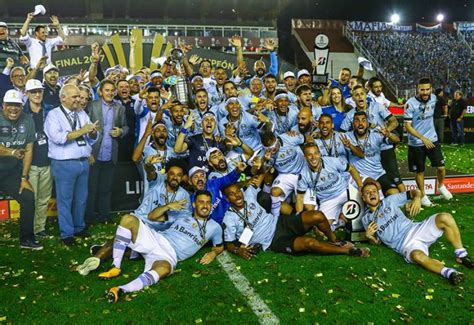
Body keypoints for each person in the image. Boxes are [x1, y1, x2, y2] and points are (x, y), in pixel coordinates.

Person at [104, 190, 223, 303]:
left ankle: (122, 289)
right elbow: (152, 216)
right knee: (128, 219)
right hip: (157, 239)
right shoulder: (182, 214)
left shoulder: (215, 227)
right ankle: (116, 266)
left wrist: (213, 253)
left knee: (164, 269)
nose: (205, 205)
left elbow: (220, 246)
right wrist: (167, 206)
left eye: (208, 202)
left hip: (170, 254)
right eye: (201, 202)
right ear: (194, 204)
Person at [361, 178, 473, 285]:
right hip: (405, 244)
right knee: (417, 256)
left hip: (416, 229)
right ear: (363, 197)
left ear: (378, 193)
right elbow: (377, 242)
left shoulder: (389, 201)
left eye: (374, 191)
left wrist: (417, 199)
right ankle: (451, 273)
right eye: (367, 192)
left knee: (445, 217)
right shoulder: (366, 219)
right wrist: (369, 237)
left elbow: (415, 192)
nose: (372, 194)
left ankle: (461, 255)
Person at [222, 179, 370, 259]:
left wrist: (244, 183)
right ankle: (347, 251)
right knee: (309, 243)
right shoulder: (229, 219)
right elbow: (228, 243)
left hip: (280, 222)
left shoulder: (248, 195)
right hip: (273, 241)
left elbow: (263, 177)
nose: (237, 196)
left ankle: (335, 239)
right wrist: (237, 251)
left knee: (317, 215)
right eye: (232, 194)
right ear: (227, 199)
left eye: (238, 191)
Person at [44, 84, 99, 245]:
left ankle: (79, 227)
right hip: (64, 163)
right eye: (74, 97)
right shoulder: (53, 115)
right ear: (63, 98)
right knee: (65, 200)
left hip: (83, 161)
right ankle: (67, 233)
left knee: (81, 198)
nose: (78, 100)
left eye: (79, 96)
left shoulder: (81, 113)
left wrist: (93, 132)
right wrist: (83, 131)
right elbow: (58, 138)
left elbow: (90, 137)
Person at [404, 78, 453, 207]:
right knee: (420, 171)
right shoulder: (410, 103)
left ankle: (441, 186)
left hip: (432, 139)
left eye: (427, 89)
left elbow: (445, 103)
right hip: (416, 143)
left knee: (441, 167)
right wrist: (422, 138)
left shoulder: (434, 98)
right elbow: (408, 126)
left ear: (431, 89)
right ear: (417, 89)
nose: (425, 92)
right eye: (422, 89)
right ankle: (424, 196)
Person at [86, 80, 129, 224]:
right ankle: (90, 216)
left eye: (112, 90)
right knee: (92, 188)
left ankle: (104, 215)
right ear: (101, 92)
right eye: (107, 90)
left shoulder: (120, 108)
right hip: (94, 154)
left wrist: (121, 131)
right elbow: (84, 129)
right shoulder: (92, 106)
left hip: (111, 154)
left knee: (106, 188)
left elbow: (126, 127)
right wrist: (88, 153)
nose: (110, 93)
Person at [0, 90, 38, 249]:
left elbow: (29, 149)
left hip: (11, 174)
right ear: (3, 106)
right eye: (9, 105)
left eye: (17, 105)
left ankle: (26, 239)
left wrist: (24, 177)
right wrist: (13, 152)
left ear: (22, 107)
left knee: (28, 197)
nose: (13, 109)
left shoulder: (28, 120)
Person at [296, 143, 363, 229]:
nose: (313, 157)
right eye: (309, 155)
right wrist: (298, 220)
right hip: (327, 200)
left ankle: (343, 217)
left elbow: (351, 169)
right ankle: (340, 221)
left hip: (344, 192)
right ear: (305, 157)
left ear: (319, 154)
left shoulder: (332, 161)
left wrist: (360, 187)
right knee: (321, 229)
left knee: (359, 216)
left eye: (315, 153)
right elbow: (300, 197)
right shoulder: (303, 174)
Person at [23, 80, 53, 237]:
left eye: (39, 91)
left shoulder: (49, 109)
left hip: (47, 161)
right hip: (30, 163)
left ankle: (39, 228)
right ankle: (29, 229)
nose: (37, 94)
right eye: (33, 91)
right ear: (27, 94)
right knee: (31, 199)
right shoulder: (22, 112)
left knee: (44, 198)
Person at [345, 111, 399, 195]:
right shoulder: (346, 136)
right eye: (357, 120)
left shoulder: (376, 135)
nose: (360, 123)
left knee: (394, 192)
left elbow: (396, 140)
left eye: (363, 120)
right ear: (353, 124)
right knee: (375, 186)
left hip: (379, 174)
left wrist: (389, 135)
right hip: (360, 176)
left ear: (367, 123)